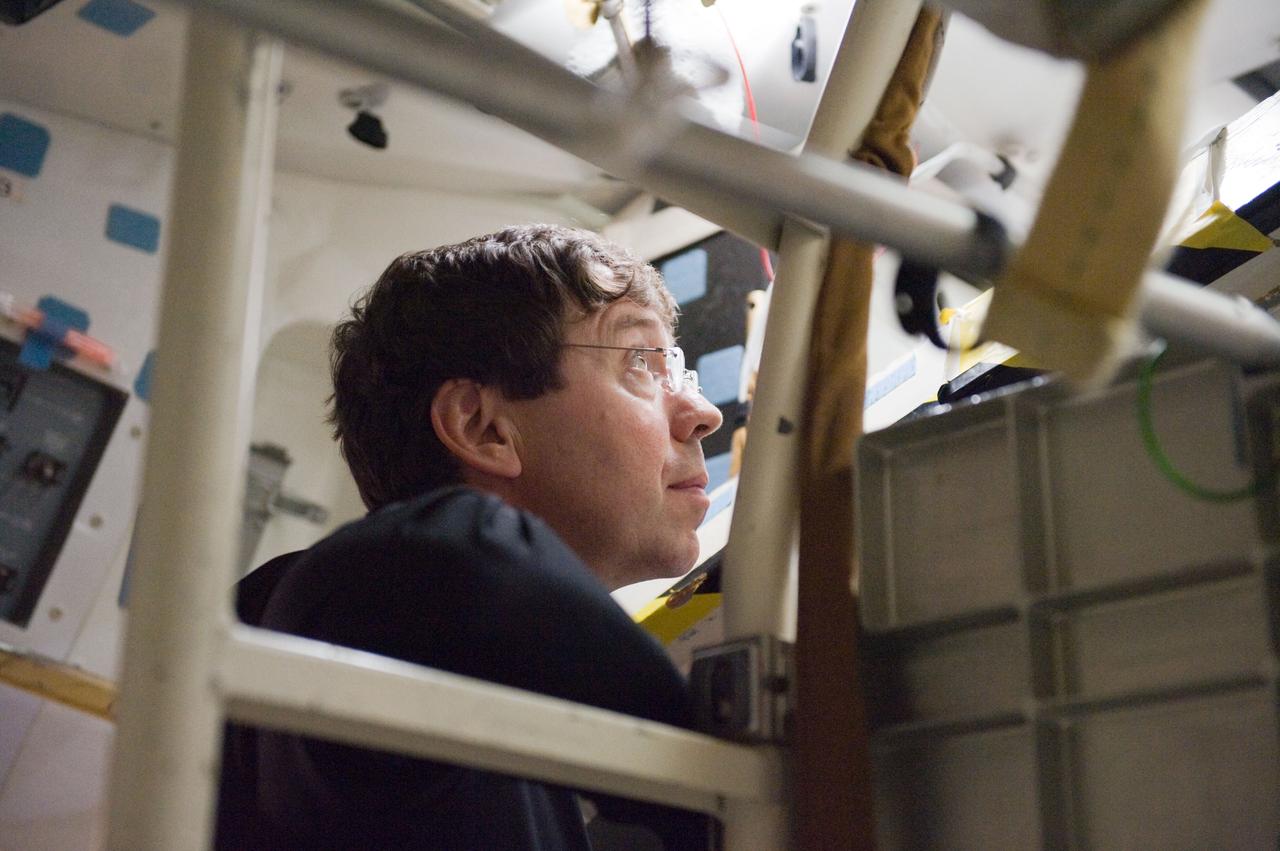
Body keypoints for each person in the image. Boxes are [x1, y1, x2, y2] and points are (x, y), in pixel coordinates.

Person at [216, 224, 724, 850]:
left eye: (682, 371)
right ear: (483, 427)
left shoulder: (494, 710)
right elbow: (462, 546)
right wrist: (727, 789)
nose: (704, 413)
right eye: (641, 363)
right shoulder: (352, 593)